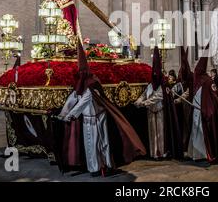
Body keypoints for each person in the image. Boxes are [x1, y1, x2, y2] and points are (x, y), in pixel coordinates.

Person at [58, 43, 146, 176]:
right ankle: (95, 168)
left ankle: (108, 166)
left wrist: (71, 116)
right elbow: (73, 99)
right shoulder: (81, 84)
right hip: (88, 120)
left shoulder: (91, 83)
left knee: (104, 143)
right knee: (91, 145)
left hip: (99, 116)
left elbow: (83, 102)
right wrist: (63, 114)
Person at [135, 47, 182, 160]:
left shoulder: (163, 86)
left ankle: (161, 152)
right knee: (152, 133)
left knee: (160, 134)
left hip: (160, 111)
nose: (155, 76)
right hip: (151, 112)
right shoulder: (151, 85)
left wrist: (143, 103)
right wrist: (139, 100)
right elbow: (145, 93)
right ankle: (154, 153)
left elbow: (157, 97)